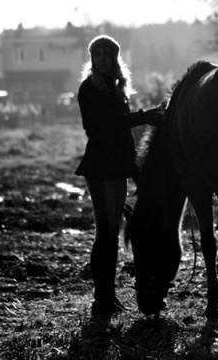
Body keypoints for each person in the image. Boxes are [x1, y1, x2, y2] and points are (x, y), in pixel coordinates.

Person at [75, 34, 162, 316]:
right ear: (92, 58)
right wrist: (142, 117)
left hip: (118, 165)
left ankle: (107, 297)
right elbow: (98, 128)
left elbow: (123, 135)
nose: (102, 58)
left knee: (110, 233)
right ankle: (102, 300)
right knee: (106, 232)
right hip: (101, 165)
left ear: (114, 58)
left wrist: (137, 170)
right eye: (97, 54)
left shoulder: (117, 88)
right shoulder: (89, 89)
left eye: (107, 54)